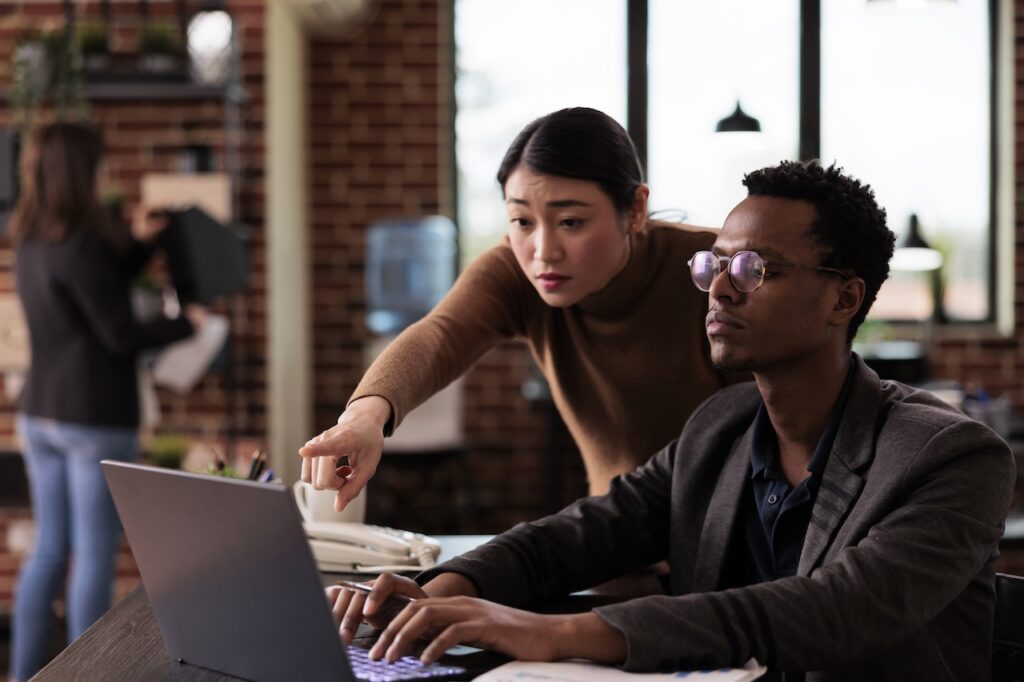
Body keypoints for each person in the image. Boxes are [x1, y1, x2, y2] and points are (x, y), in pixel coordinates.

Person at [329, 160, 1015, 680]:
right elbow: (572, 539)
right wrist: (439, 593)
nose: (719, 288)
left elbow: (828, 611)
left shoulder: (952, 457)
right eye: (713, 264)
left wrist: (548, 633)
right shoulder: (721, 426)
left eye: (753, 268)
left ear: (844, 299)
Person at [301, 107, 727, 508]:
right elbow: (440, 335)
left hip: (736, 541)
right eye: (523, 221)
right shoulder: (516, 271)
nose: (544, 252)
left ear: (635, 209)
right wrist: (363, 417)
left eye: (571, 222)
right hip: (618, 536)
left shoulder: (712, 267)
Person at [8, 122, 206, 682]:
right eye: (98, 166)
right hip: (92, 414)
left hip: (39, 413)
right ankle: (89, 676)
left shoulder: (30, 239)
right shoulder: (87, 244)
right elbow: (117, 333)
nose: (105, 175)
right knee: (94, 552)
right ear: (82, 172)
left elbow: (94, 288)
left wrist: (140, 246)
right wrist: (182, 324)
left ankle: (25, 675)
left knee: (49, 549)